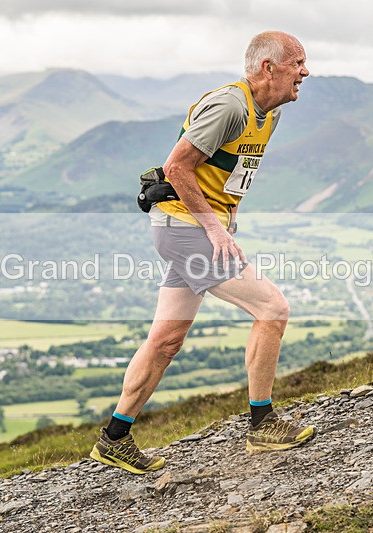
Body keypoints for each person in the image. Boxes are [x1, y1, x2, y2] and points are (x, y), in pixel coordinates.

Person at [90, 30, 313, 474]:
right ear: (268, 68)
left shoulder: (269, 114)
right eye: (297, 63)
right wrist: (215, 228)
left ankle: (114, 438)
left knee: (167, 339)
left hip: (193, 228)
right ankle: (262, 423)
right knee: (273, 308)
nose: (305, 72)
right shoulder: (230, 105)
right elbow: (176, 166)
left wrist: (226, 221)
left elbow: (224, 175)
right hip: (186, 228)